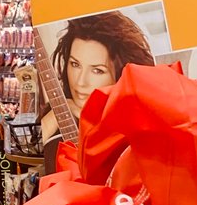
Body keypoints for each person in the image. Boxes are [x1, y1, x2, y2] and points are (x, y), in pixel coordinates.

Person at [39, 10, 155, 144]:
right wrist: (57, 114)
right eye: (75, 64)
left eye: (97, 70)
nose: (80, 82)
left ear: (121, 75)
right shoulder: (52, 117)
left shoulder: (141, 127)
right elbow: (27, 151)